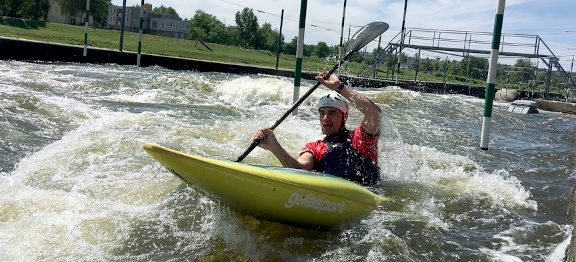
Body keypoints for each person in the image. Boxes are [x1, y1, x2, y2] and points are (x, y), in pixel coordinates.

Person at [253, 73, 382, 186]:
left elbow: (373, 112)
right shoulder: (315, 147)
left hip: (368, 195)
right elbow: (299, 168)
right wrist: (274, 147)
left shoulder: (361, 138)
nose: (325, 118)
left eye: (332, 113)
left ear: (345, 116)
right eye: (322, 113)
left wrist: (339, 86)